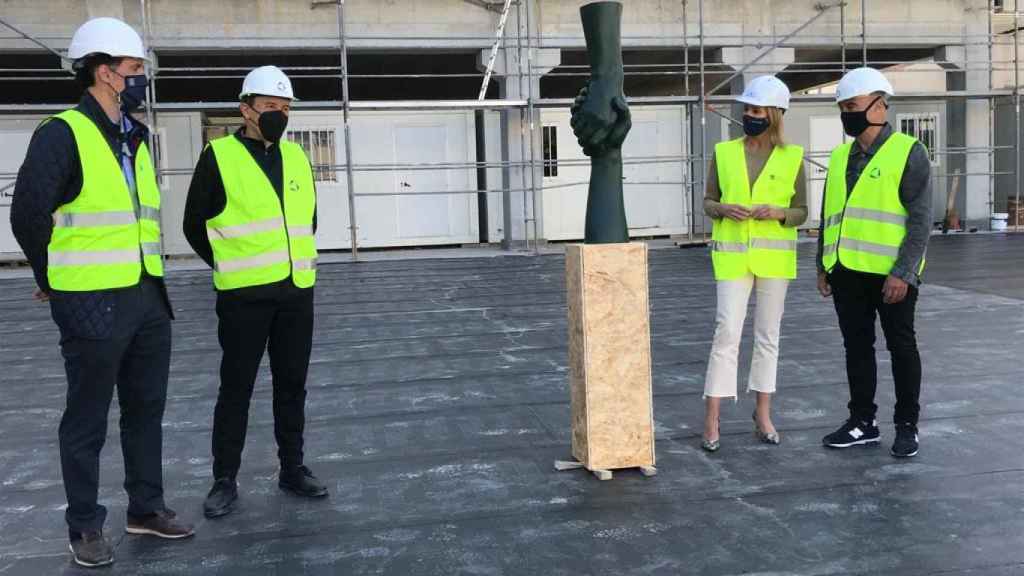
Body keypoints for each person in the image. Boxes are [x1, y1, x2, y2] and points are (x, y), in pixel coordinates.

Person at [9, 16, 194, 568]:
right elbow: (27, 215)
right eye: (136, 68)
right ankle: (85, 526)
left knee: (146, 409)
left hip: (145, 295)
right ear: (105, 71)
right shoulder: (62, 132)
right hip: (91, 301)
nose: (141, 78)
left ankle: (146, 508)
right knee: (86, 419)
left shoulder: (134, 136)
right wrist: (54, 278)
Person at [183, 65, 327, 519]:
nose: (279, 115)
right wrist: (230, 263)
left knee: (292, 386)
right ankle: (224, 479)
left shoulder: (298, 158)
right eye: (270, 107)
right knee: (236, 389)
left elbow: (307, 221)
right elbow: (193, 225)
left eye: (285, 108)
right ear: (246, 110)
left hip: (295, 293)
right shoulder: (219, 156)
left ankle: (293, 468)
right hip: (244, 297)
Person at [818, 67, 932, 458]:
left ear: (880, 106)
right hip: (847, 270)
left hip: (892, 275)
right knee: (857, 347)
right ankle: (862, 422)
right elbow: (831, 212)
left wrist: (903, 272)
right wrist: (823, 264)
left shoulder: (909, 151)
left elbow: (920, 220)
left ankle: (907, 425)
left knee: (901, 346)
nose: (847, 113)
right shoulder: (838, 158)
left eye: (853, 105)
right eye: (842, 108)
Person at [700, 75, 808, 452]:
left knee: (767, 338)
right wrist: (722, 210)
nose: (750, 116)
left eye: (757, 110)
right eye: (747, 110)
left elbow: (802, 212)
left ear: (775, 115)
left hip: (774, 261)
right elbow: (708, 201)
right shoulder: (724, 152)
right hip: (732, 257)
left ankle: (762, 413)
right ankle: (712, 416)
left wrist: (780, 213)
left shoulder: (793, 158)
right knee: (726, 333)